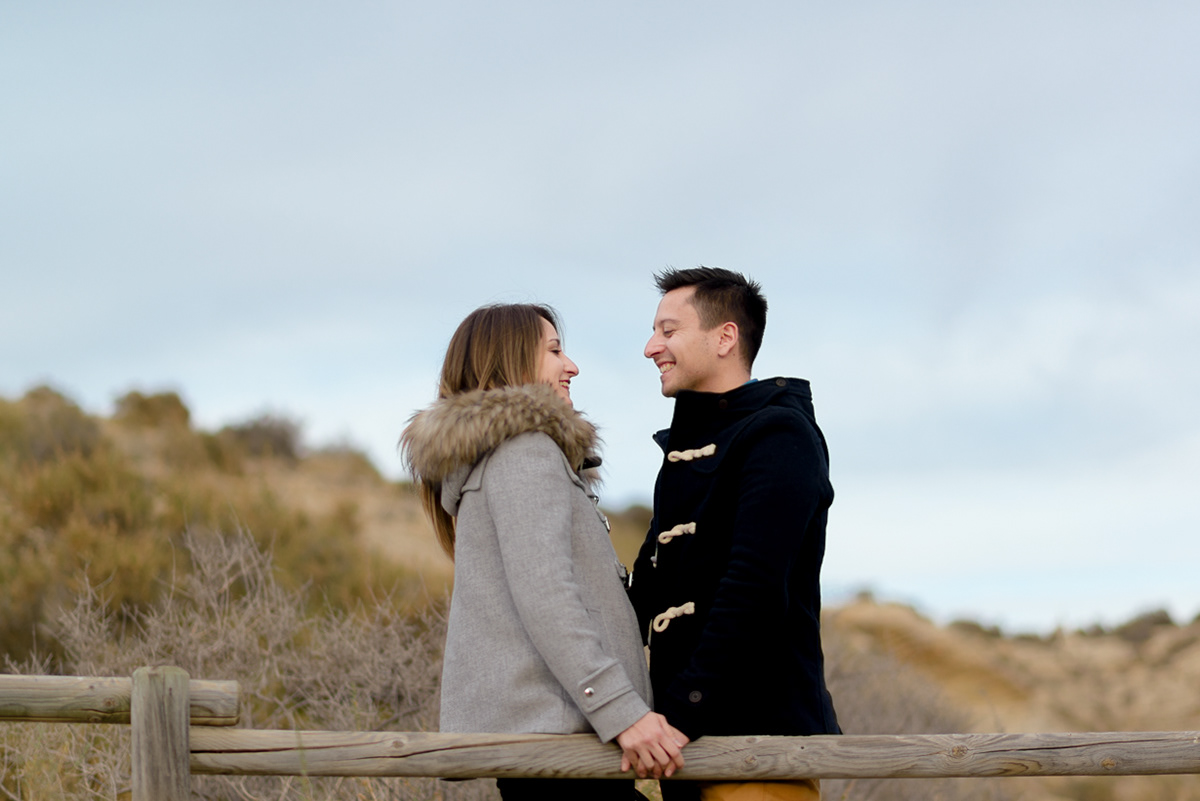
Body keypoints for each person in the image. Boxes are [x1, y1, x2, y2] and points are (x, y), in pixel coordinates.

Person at [400, 303, 687, 801]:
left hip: (550, 744)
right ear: (509, 361)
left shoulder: (503, 457)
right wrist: (624, 713)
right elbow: (546, 594)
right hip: (559, 746)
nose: (571, 366)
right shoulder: (525, 451)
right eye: (555, 350)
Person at [628, 268, 841, 801]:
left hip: (759, 749)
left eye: (668, 331)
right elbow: (644, 598)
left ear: (725, 337)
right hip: (692, 748)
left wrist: (680, 715)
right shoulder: (688, 449)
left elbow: (754, 590)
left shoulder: (780, 435)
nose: (651, 346)